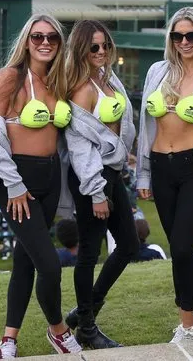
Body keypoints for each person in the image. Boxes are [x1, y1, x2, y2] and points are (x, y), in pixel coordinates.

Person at [0, 14, 81, 358]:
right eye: (38, 37)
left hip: (49, 180)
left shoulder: (59, 80)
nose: (45, 42)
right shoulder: (9, 78)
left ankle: (8, 339)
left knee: (25, 261)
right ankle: (58, 331)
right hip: (18, 184)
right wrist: (15, 185)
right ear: (27, 40)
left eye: (52, 37)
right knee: (49, 265)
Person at [136, 7, 193, 343]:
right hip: (161, 165)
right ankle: (190, 319)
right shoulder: (158, 72)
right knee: (179, 249)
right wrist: (144, 174)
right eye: (177, 35)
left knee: (180, 244)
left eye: (191, 35)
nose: (184, 41)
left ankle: (189, 323)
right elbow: (146, 127)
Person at [63, 19, 139, 349]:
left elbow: (122, 126)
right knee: (90, 253)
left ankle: (86, 309)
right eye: (94, 47)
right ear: (81, 49)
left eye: (105, 45)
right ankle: (88, 329)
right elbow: (80, 146)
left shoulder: (109, 79)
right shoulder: (81, 88)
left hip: (112, 172)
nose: (101, 51)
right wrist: (95, 191)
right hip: (91, 177)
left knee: (129, 245)